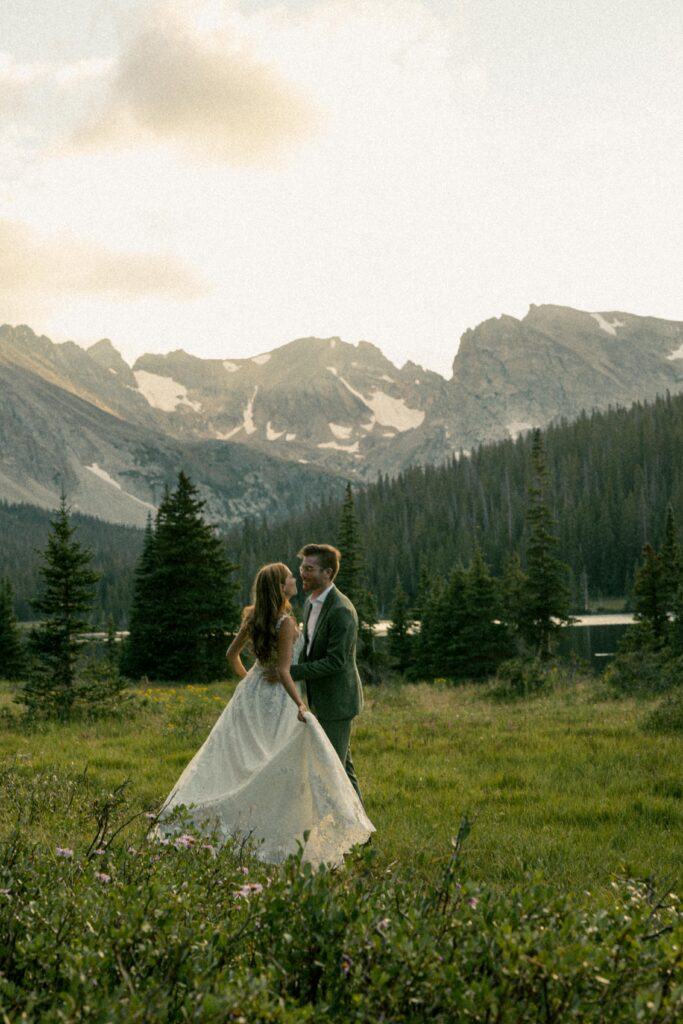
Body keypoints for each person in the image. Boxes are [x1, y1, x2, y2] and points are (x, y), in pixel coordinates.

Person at [156, 562, 374, 867]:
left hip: (250, 695)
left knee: (251, 759)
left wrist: (250, 680)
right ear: (280, 588)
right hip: (278, 697)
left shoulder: (253, 617)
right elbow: (284, 671)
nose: (295, 579)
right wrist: (299, 703)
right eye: (289, 578)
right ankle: (277, 826)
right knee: (274, 761)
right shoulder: (285, 623)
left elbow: (231, 655)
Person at [288, 543, 365, 803]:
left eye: (309, 569)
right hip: (319, 699)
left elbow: (336, 662)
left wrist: (291, 672)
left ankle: (352, 832)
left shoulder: (341, 610)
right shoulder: (311, 605)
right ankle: (361, 833)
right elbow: (309, 649)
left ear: (328, 573)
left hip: (337, 702)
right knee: (343, 766)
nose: (303, 574)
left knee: (333, 768)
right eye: (302, 567)